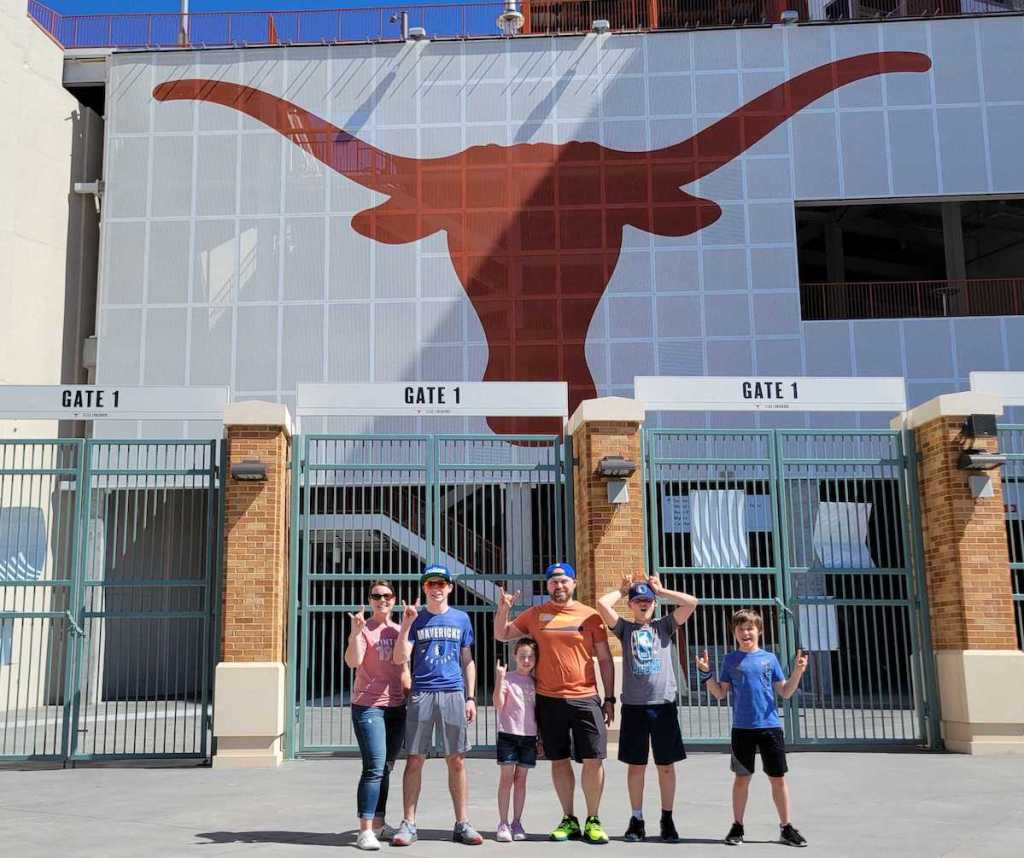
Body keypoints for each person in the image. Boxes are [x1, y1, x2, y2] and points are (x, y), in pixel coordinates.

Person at [494, 562, 615, 845]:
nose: (558, 586)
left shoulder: (591, 616)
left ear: (574, 583)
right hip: (549, 700)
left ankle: (593, 819)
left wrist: (609, 697)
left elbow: (606, 660)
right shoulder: (535, 615)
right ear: (547, 585)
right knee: (559, 761)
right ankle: (569, 818)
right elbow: (502, 634)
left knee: (593, 760)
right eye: (553, 582)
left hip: (585, 698)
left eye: (564, 581)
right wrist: (503, 609)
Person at [596, 573, 697, 843]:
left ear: (654, 603)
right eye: (638, 600)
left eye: (648, 600)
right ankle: (637, 818)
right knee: (636, 766)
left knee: (665, 765)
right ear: (630, 605)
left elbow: (691, 603)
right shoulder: (625, 629)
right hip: (634, 707)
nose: (643, 604)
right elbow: (602, 605)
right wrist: (622, 589)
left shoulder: (664, 626)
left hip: (662, 705)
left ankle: (667, 817)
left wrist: (662, 592)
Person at [696, 608, 809, 848]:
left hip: (770, 728)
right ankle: (737, 826)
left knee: (778, 779)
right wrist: (706, 674)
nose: (745, 632)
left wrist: (798, 671)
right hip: (742, 729)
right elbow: (720, 693)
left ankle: (786, 827)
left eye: (750, 628)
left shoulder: (770, 659)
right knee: (741, 779)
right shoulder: (730, 660)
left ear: (759, 631)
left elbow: (786, 691)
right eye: (740, 629)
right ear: (734, 633)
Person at [392, 564, 483, 846]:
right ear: (424, 588)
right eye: (431, 584)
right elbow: (399, 658)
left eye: (442, 584)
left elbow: (467, 660)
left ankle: (463, 823)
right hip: (422, 692)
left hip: (453, 692)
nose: (437, 588)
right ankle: (409, 823)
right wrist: (406, 624)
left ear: (450, 588)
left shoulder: (462, 619)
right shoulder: (415, 620)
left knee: (456, 759)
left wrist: (471, 697)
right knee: (415, 758)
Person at [345, 580, 410, 851]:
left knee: (385, 768)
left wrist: (405, 627)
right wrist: (354, 633)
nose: (381, 600)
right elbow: (353, 661)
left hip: (396, 707)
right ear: (370, 600)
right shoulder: (363, 628)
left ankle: (380, 825)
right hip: (368, 705)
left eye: (386, 596)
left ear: (394, 600)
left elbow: (401, 663)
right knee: (374, 767)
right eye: (376, 596)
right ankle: (365, 830)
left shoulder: (399, 630)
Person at [492, 638, 539, 843]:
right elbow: (498, 704)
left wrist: (541, 739)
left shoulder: (537, 682)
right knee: (506, 779)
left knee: (521, 781)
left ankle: (517, 822)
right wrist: (499, 679)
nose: (526, 660)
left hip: (529, 737)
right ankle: (503, 822)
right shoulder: (508, 678)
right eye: (522, 656)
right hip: (508, 735)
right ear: (515, 657)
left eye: (530, 657)